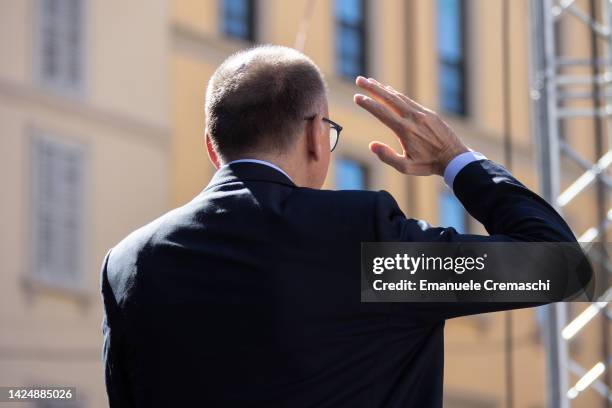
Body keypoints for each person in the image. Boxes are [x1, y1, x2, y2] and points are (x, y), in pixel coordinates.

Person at [101, 45, 580, 407]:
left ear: (211, 146)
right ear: (315, 135)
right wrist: (457, 161)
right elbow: (558, 264)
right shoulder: (360, 242)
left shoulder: (128, 262)